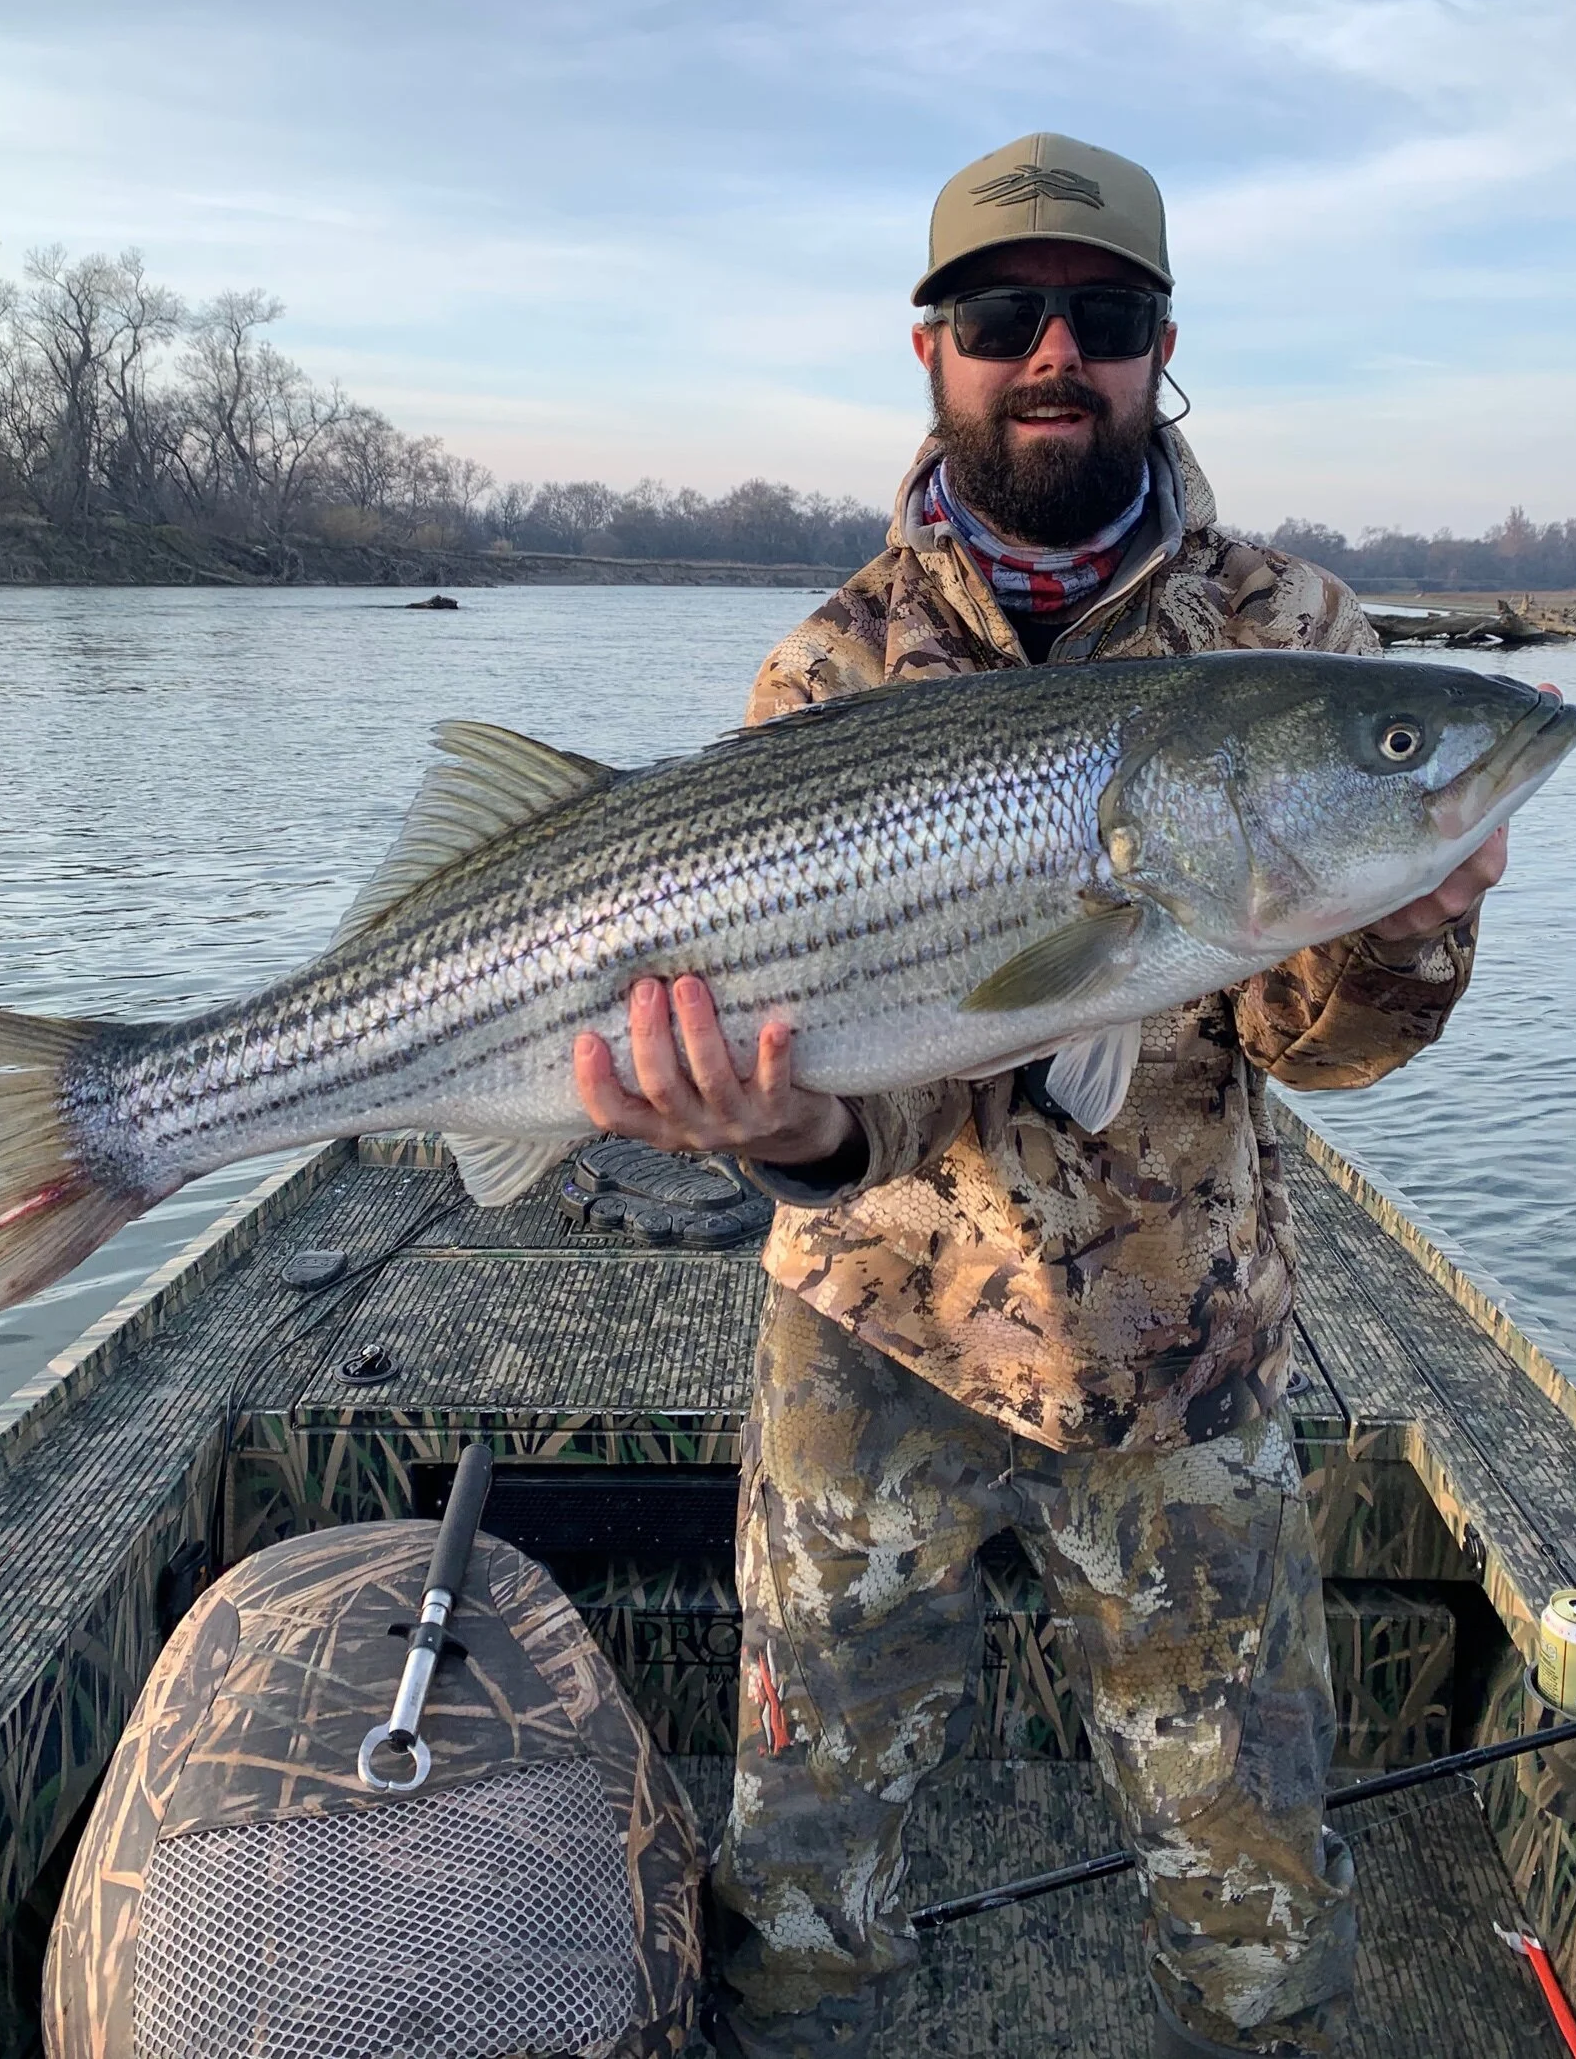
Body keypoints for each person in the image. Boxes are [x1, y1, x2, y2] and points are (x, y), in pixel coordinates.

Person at [573, 134, 1505, 2059]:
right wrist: (784, 1130)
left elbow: (1317, 1051)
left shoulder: (1292, 638)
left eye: (1107, 316)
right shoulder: (832, 664)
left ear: (1166, 350)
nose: (1053, 353)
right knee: (803, 1894)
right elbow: (853, 1104)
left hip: (1191, 1356)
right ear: (932, 349)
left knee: (1259, 1908)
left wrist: (1408, 920)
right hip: (873, 1346)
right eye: (1005, 316)